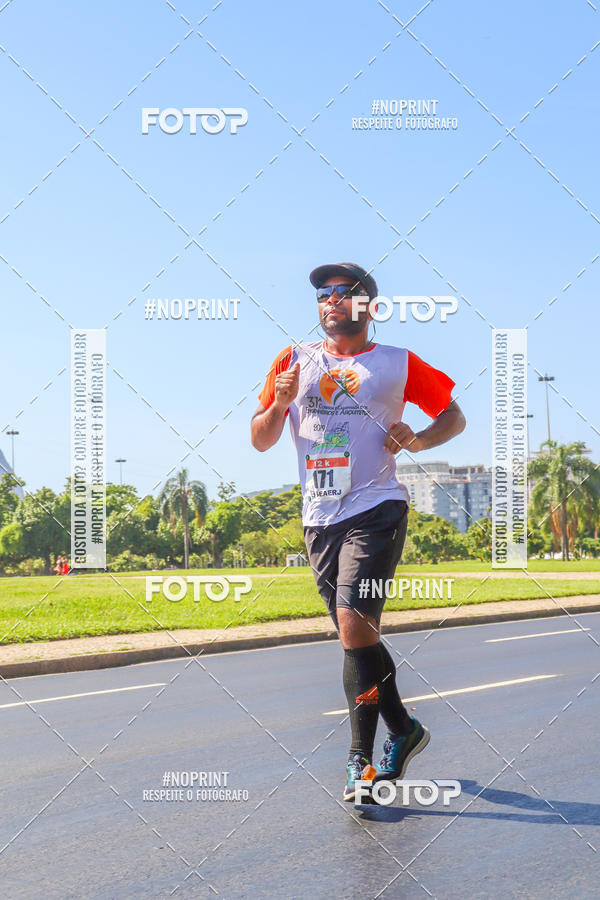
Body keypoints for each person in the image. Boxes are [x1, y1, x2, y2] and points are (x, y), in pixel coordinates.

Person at [251, 262, 466, 801]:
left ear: (369, 305)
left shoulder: (396, 363)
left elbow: (453, 417)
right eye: (324, 294)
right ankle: (405, 728)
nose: (332, 301)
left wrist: (417, 440)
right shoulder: (292, 361)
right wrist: (279, 403)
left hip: (378, 506)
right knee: (358, 634)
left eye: (345, 293)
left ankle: (358, 764)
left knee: (352, 620)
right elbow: (259, 439)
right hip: (319, 517)